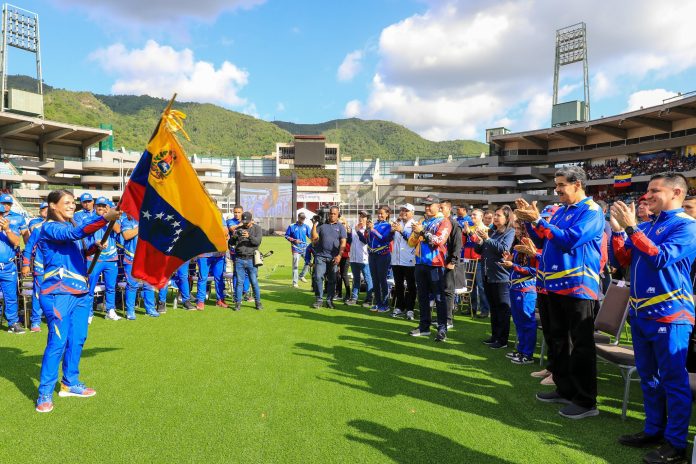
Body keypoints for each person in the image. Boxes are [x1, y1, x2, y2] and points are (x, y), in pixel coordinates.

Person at [611, 173, 696, 463]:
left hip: (671, 314)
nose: (646, 196)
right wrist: (620, 232)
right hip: (641, 313)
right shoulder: (648, 225)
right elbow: (624, 260)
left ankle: (676, 444)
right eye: (647, 190)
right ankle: (653, 430)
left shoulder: (688, 226)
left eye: (653, 190)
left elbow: (660, 258)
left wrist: (633, 228)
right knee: (649, 378)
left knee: (673, 381)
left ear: (676, 192)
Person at [516, 165, 604, 420]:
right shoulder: (562, 210)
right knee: (558, 340)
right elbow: (545, 240)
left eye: (561, 185)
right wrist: (530, 222)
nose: (557, 190)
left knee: (581, 345)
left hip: (578, 285)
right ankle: (565, 390)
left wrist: (539, 221)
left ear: (577, 184)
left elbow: (568, 240)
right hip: (555, 284)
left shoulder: (592, 211)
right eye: (556, 185)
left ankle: (586, 401)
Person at [35, 189, 121, 413]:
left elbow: (77, 252)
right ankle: (44, 392)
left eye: (73, 203)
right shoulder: (50, 227)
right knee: (57, 342)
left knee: (78, 338)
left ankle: (69, 382)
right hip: (58, 292)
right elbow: (72, 236)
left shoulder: (71, 227)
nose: (72, 206)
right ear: (53, 205)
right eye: (67, 202)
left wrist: (94, 248)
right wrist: (104, 218)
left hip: (81, 292)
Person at [407, 194, 451, 342]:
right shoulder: (423, 221)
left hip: (435, 265)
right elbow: (411, 243)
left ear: (438, 206)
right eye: (424, 205)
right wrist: (415, 233)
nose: (426, 207)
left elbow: (438, 240)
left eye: (429, 205)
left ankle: (442, 328)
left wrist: (422, 232)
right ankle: (424, 327)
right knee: (423, 296)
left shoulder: (444, 222)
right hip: (420, 264)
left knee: (439, 297)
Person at [474, 206, 515, 349]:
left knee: (502, 309)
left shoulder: (510, 232)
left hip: (500, 275)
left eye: (498, 215)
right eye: (495, 215)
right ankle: (495, 336)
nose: (495, 218)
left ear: (507, 218)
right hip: (488, 274)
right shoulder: (492, 231)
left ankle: (502, 340)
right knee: (494, 308)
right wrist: (480, 240)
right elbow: (479, 250)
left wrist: (487, 239)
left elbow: (504, 249)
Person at [501, 220, 538, 365]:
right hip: (515, 287)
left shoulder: (531, 246)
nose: (516, 231)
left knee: (527, 322)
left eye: (518, 228)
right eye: (515, 228)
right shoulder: (517, 246)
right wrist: (510, 261)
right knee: (518, 321)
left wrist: (514, 266)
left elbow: (536, 270)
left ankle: (528, 354)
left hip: (526, 289)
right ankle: (521, 350)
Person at [86, 197, 122, 322]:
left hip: (111, 258)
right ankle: (89, 313)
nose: (101, 208)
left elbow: (118, 229)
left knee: (111, 286)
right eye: (99, 206)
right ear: (95, 207)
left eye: (104, 206)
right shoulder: (90, 219)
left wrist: (108, 217)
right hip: (94, 258)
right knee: (90, 287)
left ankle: (110, 311)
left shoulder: (113, 220)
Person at [120, 215, 159, 319]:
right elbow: (127, 235)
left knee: (149, 285)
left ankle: (150, 309)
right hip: (131, 259)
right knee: (132, 285)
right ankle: (130, 311)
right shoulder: (127, 220)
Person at [310, 206, 346, 309]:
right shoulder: (322, 226)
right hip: (320, 256)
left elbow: (343, 242)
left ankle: (329, 300)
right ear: (328, 214)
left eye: (334, 214)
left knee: (332, 280)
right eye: (331, 213)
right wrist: (314, 225)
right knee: (317, 277)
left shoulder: (341, 227)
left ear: (338, 215)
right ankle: (319, 299)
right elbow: (314, 238)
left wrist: (339, 255)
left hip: (334, 257)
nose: (332, 215)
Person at [360, 206, 394, 312]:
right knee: (375, 280)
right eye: (378, 213)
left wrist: (373, 229)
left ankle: (385, 304)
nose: (379, 215)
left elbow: (384, 239)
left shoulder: (388, 225)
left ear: (387, 214)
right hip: (372, 255)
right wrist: (367, 230)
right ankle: (378, 303)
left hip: (383, 255)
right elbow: (367, 240)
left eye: (382, 213)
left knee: (382, 280)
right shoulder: (374, 224)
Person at [0, 194, 24, 334]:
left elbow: (16, 242)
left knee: (11, 297)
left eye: (1, 214)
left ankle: (12, 323)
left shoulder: (9, 227)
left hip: (8, 268)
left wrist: (7, 229)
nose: (0, 216)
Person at [22, 205, 47, 332]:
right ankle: (35, 321)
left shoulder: (64, 227)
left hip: (58, 268)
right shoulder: (38, 228)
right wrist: (26, 264)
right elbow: (28, 247)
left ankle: (54, 318)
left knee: (58, 293)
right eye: (45, 209)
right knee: (39, 293)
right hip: (41, 266)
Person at [231, 212, 263, 311]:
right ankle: (238, 303)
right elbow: (231, 244)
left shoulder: (257, 228)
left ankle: (258, 303)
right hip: (239, 258)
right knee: (239, 282)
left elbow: (257, 242)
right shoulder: (237, 229)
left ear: (251, 220)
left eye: (247, 222)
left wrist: (249, 236)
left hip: (251, 259)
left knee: (254, 282)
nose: (245, 224)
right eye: (243, 222)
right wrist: (234, 237)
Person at [196, 214, 228, 310]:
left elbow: (225, 233)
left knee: (219, 278)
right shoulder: (201, 218)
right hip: (204, 254)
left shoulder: (220, 218)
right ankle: (200, 301)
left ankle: (220, 300)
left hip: (218, 254)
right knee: (203, 278)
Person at [462, 209, 490, 318]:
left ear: (481, 216)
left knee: (481, 286)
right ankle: (472, 308)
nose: (472, 216)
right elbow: (463, 243)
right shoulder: (469, 227)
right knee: (469, 286)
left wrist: (469, 232)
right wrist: (464, 233)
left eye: (475, 214)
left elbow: (478, 241)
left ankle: (485, 310)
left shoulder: (484, 228)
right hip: (467, 260)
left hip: (478, 260)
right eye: (471, 214)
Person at [391, 204, 416, 320]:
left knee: (411, 286)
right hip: (396, 260)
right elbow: (389, 239)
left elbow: (414, 241)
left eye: (406, 210)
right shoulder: (398, 223)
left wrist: (401, 231)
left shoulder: (415, 225)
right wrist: (391, 231)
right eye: (402, 210)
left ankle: (410, 309)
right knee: (398, 285)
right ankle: (400, 307)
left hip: (410, 260)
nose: (404, 212)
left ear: (412, 212)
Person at [441, 200, 462, 329]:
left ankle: (448, 319)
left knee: (448, 291)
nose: (439, 210)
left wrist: (453, 261)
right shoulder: (438, 223)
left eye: (442, 208)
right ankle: (441, 317)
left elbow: (457, 245)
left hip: (449, 262)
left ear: (449, 209)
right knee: (439, 290)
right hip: (437, 262)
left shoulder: (454, 224)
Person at [346, 211, 373, 307]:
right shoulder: (354, 228)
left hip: (364, 258)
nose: (361, 218)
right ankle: (354, 298)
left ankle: (369, 299)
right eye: (360, 216)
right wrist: (349, 233)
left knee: (367, 279)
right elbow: (349, 241)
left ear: (367, 219)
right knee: (356, 279)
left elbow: (365, 241)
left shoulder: (368, 229)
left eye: (363, 217)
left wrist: (357, 231)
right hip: (353, 258)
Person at [226, 206, 250, 302]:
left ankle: (246, 292)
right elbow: (232, 229)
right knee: (237, 272)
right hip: (235, 251)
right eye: (235, 212)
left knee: (247, 272)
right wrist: (243, 223)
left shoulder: (248, 221)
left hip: (247, 250)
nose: (237, 214)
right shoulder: (230, 221)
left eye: (239, 212)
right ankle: (236, 294)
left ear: (242, 212)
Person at [285, 212, 312, 288]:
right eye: (301, 218)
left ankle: (302, 275)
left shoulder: (306, 226)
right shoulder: (292, 226)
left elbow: (310, 236)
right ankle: (295, 282)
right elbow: (286, 236)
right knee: (295, 266)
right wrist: (294, 240)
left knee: (308, 262)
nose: (303, 220)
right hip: (296, 249)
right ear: (298, 218)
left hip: (305, 248)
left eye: (304, 218)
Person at [335, 216, 351, 302]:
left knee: (344, 275)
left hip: (346, 257)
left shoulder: (348, 234)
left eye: (343, 223)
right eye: (340, 223)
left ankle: (348, 294)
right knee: (338, 275)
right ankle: (339, 293)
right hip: (338, 256)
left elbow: (348, 247)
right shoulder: (337, 233)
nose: (342, 225)